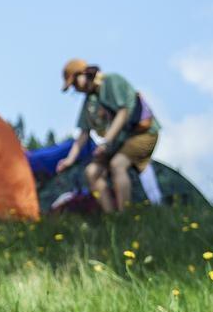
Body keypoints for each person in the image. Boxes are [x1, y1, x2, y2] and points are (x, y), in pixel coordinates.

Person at [55, 58, 161, 212]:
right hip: (118, 143)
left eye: (75, 84)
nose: (76, 90)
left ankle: (124, 214)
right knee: (91, 172)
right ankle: (112, 217)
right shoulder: (90, 101)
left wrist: (106, 142)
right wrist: (69, 160)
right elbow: (84, 133)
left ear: (83, 74)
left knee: (117, 164)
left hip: (142, 134)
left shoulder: (111, 81)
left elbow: (123, 113)